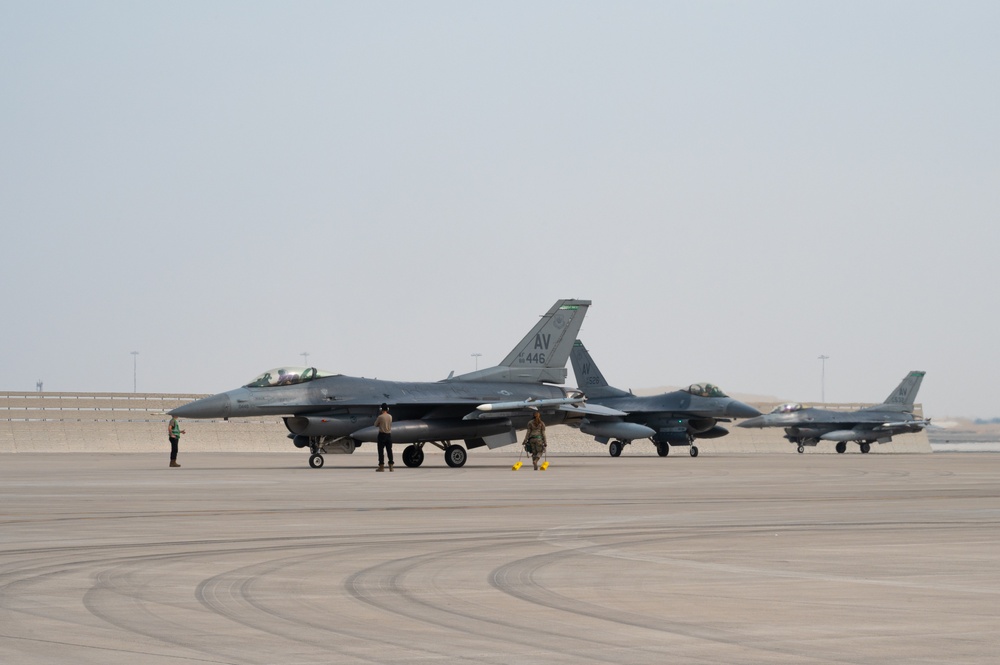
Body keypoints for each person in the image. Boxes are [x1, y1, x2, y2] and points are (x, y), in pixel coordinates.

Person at [375, 403, 394, 472]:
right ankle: (391, 466)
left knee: (381, 451)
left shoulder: (380, 417)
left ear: (381, 409)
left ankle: (381, 466)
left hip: (382, 435)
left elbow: (375, 424)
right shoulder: (390, 416)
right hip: (389, 435)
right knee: (389, 450)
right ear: (387, 409)